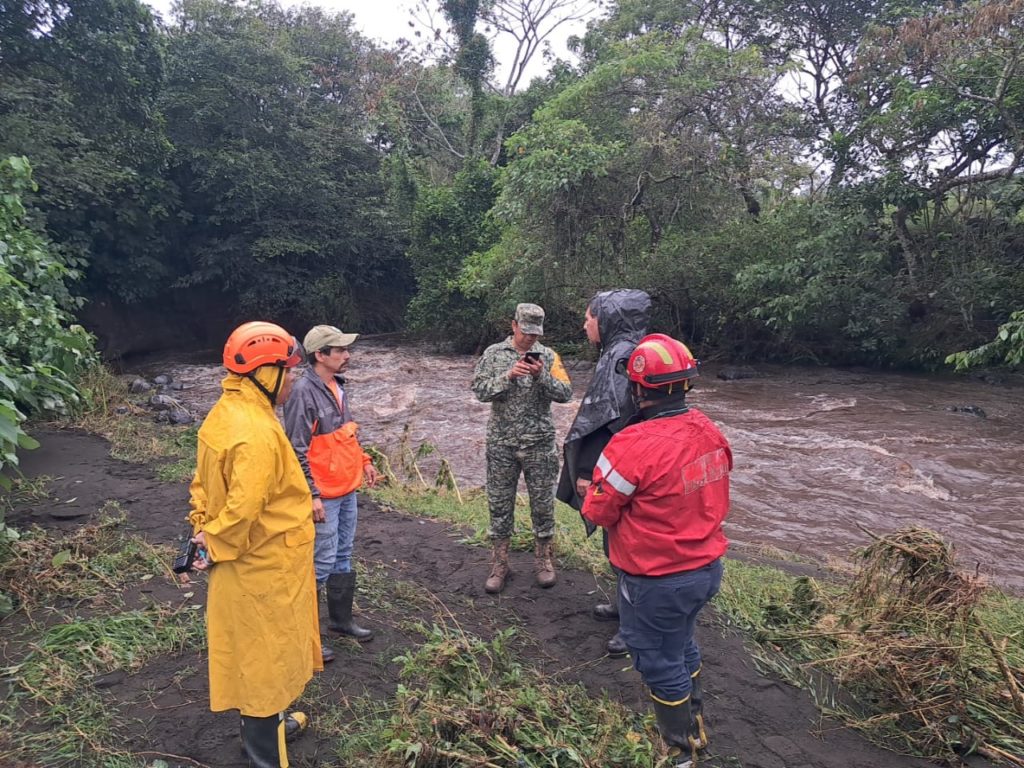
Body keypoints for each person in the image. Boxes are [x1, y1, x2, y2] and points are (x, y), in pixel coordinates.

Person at [581, 333, 731, 768]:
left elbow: (599, 510)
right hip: (705, 570)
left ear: (638, 388)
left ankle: (680, 753)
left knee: (657, 660)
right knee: (682, 644)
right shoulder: (709, 430)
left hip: (656, 578)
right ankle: (695, 728)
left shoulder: (631, 444)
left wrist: (590, 488)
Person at [187, 321, 322, 768]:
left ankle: (271, 728)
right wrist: (214, 541)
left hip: (251, 562)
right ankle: (265, 754)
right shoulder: (257, 433)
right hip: (262, 566)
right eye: (289, 370)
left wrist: (203, 531)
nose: (294, 379)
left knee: (254, 654)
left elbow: (202, 484)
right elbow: (243, 511)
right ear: (266, 373)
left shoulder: (226, 412)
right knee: (265, 661)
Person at [556, 289, 650, 657]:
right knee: (621, 540)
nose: (584, 325)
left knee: (627, 544)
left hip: (621, 467)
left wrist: (587, 472)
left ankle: (634, 626)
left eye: (588, 318)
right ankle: (625, 608)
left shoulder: (619, 356)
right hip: (634, 463)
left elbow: (604, 421)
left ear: (606, 318)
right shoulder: (634, 351)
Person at [283, 324, 379, 660]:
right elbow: (295, 450)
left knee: (342, 555)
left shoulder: (337, 386)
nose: (347, 355)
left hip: (347, 488)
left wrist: (364, 461)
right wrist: (311, 495)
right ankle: (306, 636)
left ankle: (340, 622)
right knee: (320, 562)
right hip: (323, 494)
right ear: (320, 355)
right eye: (340, 350)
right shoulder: (302, 393)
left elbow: (346, 433)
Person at [472, 302, 573, 593]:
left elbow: (566, 393)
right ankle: (500, 563)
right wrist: (508, 377)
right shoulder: (494, 354)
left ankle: (543, 560)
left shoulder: (549, 356)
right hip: (502, 443)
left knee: (542, 504)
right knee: (499, 504)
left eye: (535, 334)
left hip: (539, 443)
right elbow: (479, 390)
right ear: (514, 325)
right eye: (526, 332)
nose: (530, 338)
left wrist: (542, 376)